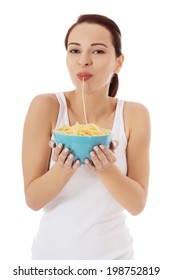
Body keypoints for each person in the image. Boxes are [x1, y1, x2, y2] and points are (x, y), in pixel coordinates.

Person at [22, 14, 150, 260]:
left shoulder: (134, 114)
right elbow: (33, 199)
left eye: (98, 52)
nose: (84, 61)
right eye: (74, 50)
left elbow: (137, 204)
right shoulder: (45, 106)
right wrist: (63, 167)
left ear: (118, 62)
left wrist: (105, 168)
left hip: (116, 260)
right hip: (51, 260)